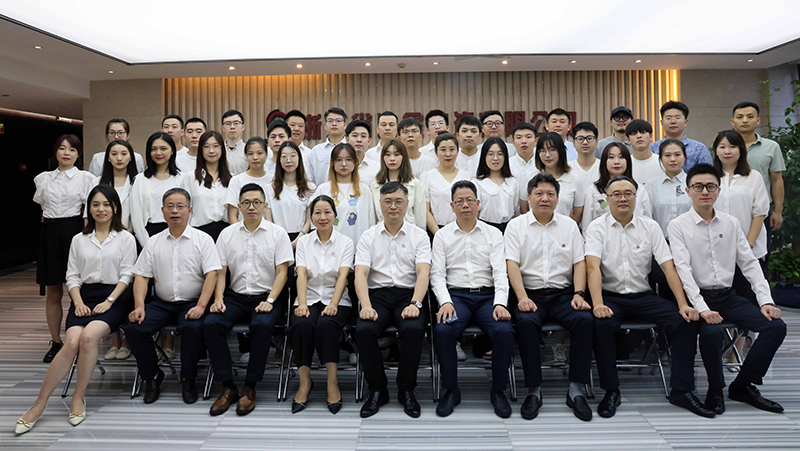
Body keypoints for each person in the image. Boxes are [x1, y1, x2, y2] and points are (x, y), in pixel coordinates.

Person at [586, 175, 712, 418]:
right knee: (601, 324)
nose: (623, 198)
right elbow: (592, 267)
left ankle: (681, 390)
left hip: (643, 296)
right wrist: (598, 303)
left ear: (636, 198)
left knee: (684, 321)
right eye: (616, 194)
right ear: (607, 199)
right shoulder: (596, 228)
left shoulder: (650, 226)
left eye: (628, 193)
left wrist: (683, 304)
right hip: (611, 297)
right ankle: (611, 391)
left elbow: (668, 267)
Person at [16, 185, 136, 434]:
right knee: (71, 342)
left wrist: (109, 301)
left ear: (115, 208)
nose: (101, 209)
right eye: (95, 204)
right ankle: (39, 404)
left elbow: (128, 275)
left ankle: (78, 397)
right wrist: (78, 302)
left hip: (114, 298)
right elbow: (72, 276)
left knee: (89, 337)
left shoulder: (126, 238)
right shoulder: (78, 239)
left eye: (106, 204)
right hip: (84, 297)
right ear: (88, 209)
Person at [669, 163, 786, 414]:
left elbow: (749, 264)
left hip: (727, 296)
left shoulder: (731, 223)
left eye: (710, 186)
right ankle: (715, 389)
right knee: (711, 332)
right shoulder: (678, 225)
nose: (705, 191)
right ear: (688, 191)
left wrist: (765, 301)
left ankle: (743, 385)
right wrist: (702, 309)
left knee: (776, 327)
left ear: (718, 191)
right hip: (698, 298)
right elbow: (683, 271)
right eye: (698, 186)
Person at [505, 173, 593, 421]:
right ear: (529, 197)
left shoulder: (569, 226)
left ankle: (575, 389)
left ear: (557, 198)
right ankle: (534, 390)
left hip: (563, 294)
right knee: (526, 323)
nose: (545, 198)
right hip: (529, 293)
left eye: (550, 194)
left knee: (584, 320)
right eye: (539, 193)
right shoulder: (516, 226)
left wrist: (578, 294)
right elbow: (511, 265)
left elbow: (579, 263)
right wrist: (521, 298)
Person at [126, 187, 221, 405]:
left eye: (180, 206)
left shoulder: (203, 239)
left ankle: (188, 379)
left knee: (192, 329)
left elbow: (212, 274)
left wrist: (201, 306)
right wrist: (139, 305)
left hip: (192, 302)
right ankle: (152, 375)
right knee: (134, 328)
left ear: (190, 210)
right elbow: (141, 276)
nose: (175, 211)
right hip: (162, 303)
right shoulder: (153, 242)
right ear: (162, 211)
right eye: (170, 206)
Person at [204, 183, 293, 416]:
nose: (251, 206)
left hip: (267, 296)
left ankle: (250, 387)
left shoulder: (278, 233)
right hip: (235, 296)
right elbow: (220, 271)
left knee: (262, 325)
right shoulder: (227, 234)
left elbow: (282, 273)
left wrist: (270, 301)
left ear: (265, 205)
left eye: (256, 202)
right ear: (239, 207)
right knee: (211, 323)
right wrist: (218, 298)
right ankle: (228, 386)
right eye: (246, 203)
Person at [432, 180, 514, 418]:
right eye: (459, 201)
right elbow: (437, 274)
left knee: (504, 331)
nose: (465, 205)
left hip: (488, 296)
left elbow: (500, 272)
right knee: (443, 330)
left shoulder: (493, 233)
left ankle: (498, 390)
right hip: (457, 296)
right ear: (452, 206)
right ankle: (451, 390)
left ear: (478, 203)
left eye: (470, 200)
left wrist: (500, 303)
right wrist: (445, 302)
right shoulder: (442, 236)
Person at [356, 182, 431, 418]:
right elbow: (360, 274)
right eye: (387, 202)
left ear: (407, 204)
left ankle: (406, 389)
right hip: (377, 295)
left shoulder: (419, 235)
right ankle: (377, 390)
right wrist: (366, 306)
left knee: (413, 328)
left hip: (408, 295)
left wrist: (415, 304)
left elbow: (423, 273)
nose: (393, 206)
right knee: (364, 330)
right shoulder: (368, 236)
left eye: (399, 201)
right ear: (380, 204)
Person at [289, 195, 355, 415]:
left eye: (327, 212)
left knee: (327, 325)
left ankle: (332, 382)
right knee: (301, 324)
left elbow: (343, 276)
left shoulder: (346, 242)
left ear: (335, 216)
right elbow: (301, 275)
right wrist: (302, 304)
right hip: (307, 297)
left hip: (337, 299)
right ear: (311, 216)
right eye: (317, 213)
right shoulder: (304, 242)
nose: (322, 217)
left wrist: (334, 304)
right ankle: (305, 382)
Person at [34, 134, 96, 362]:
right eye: (62, 148)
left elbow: (89, 212)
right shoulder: (42, 178)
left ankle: (78, 340)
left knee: (76, 289)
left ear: (78, 154)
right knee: (53, 291)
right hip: (49, 234)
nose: (66, 153)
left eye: (72, 149)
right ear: (56, 151)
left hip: (76, 232)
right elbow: (42, 206)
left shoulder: (87, 178)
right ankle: (56, 342)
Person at [90, 139, 138, 361]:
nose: (119, 158)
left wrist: (125, 232)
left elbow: (140, 213)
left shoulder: (137, 181)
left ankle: (127, 342)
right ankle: (114, 341)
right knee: (107, 285)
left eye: (124, 153)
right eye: (114, 154)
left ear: (131, 157)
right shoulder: (97, 182)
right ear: (107, 157)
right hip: (102, 240)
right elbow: (90, 213)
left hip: (130, 238)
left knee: (127, 289)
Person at [712, 130, 770, 307]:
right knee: (723, 300)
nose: (727, 151)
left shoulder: (754, 177)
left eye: (732, 146)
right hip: (717, 249)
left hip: (750, 247)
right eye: (722, 147)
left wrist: (748, 244)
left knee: (748, 298)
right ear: (716, 150)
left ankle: (750, 327)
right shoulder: (710, 178)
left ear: (741, 150)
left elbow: (759, 213)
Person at [730, 101, 785, 249]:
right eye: (740, 117)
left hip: (761, 211)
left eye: (750, 116)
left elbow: (777, 180)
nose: (745, 120)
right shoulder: (725, 147)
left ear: (758, 120)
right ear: (732, 121)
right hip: (729, 208)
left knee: (760, 253)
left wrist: (777, 211)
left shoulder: (771, 147)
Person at [312, 142, 375, 247]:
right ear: (332, 162)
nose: (344, 164)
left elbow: (371, 223)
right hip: (330, 249)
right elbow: (314, 223)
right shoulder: (323, 189)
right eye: (339, 160)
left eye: (348, 159)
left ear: (355, 162)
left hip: (359, 249)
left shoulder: (364, 190)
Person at [581, 142, 652, 232]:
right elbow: (586, 225)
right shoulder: (593, 190)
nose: (616, 162)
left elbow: (648, 222)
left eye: (621, 157)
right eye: (611, 157)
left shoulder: (639, 190)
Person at [130, 132, 183, 249]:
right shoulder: (140, 180)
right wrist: (147, 246)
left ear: (172, 151)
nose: (158, 153)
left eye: (163, 149)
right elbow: (136, 216)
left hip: (177, 234)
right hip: (147, 234)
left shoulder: (182, 179)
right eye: (153, 149)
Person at [520, 133, 584, 225]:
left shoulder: (575, 180)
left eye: (552, 150)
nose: (547, 155)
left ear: (561, 151)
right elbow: (524, 209)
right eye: (542, 151)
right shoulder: (529, 178)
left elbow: (577, 214)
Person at [180, 130, 231, 241]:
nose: (211, 151)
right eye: (206, 147)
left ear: (222, 149)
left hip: (226, 234)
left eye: (216, 146)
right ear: (201, 150)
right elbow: (184, 209)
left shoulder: (232, 179)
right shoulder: (190, 178)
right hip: (199, 233)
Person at [266, 141, 315, 248]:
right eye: (284, 156)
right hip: (277, 240)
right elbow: (268, 220)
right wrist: (280, 241)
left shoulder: (310, 187)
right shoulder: (270, 188)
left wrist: (298, 240)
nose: (288, 160)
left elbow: (309, 220)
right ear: (279, 160)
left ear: (299, 158)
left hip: (302, 240)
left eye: (293, 156)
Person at [370, 139, 427, 230]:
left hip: (409, 234)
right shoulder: (375, 184)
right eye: (388, 155)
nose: (392, 159)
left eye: (396, 154)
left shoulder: (415, 184)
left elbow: (421, 218)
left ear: (403, 157)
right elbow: (373, 218)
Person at [421, 133, 471, 235]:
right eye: (443, 150)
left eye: (452, 150)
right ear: (436, 152)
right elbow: (425, 211)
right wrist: (438, 233)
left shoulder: (466, 176)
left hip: (463, 230)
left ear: (457, 151)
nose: (448, 154)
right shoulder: (427, 177)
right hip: (436, 230)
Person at [644, 139, 692, 239]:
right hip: (661, 243)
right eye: (667, 155)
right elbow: (647, 218)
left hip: (690, 241)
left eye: (677, 155)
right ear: (661, 158)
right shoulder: (651, 185)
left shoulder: (694, 183)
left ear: (685, 157)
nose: (673, 159)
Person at [650, 101, 712, 172]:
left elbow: (707, 175)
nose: (673, 121)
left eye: (677, 117)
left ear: (685, 122)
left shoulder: (699, 149)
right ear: (662, 123)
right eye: (668, 118)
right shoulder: (652, 149)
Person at [474, 137, 519, 232]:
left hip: (509, 230)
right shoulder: (477, 183)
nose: (495, 158)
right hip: (486, 230)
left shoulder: (513, 182)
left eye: (500, 154)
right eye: (491, 154)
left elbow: (516, 211)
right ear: (484, 156)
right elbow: (475, 214)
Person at [225, 137, 271, 224]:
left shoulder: (273, 180)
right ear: (246, 156)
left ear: (266, 154)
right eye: (250, 154)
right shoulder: (236, 181)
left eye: (259, 153)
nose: (255, 157)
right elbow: (232, 215)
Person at [308, 107, 347, 184]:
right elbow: (310, 177)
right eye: (330, 121)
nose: (334, 124)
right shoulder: (316, 151)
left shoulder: (351, 149)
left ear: (345, 125)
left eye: (338, 121)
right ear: (325, 126)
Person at [509, 123, 539, 208]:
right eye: (519, 138)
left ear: (536, 141)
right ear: (513, 142)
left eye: (528, 137)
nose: (524, 141)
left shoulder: (542, 165)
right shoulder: (507, 165)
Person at [626, 119, 662, 184]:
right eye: (634, 134)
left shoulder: (662, 162)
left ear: (651, 136)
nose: (639, 136)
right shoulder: (625, 164)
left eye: (643, 132)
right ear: (628, 140)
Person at [345, 120, 379, 185]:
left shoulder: (377, 168)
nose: (359, 140)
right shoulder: (338, 166)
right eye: (355, 136)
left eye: (363, 136)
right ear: (347, 139)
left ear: (369, 141)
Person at [221, 109, 249, 175]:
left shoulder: (248, 150)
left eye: (236, 123)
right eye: (228, 124)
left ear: (243, 127)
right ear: (223, 128)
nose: (232, 127)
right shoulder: (218, 150)